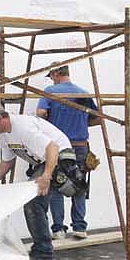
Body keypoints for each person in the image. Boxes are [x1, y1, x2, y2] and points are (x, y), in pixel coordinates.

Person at [0, 102, 73, 260]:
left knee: (34, 202)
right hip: (43, 161)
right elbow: (8, 160)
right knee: (33, 202)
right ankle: (42, 252)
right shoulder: (4, 135)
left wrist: (47, 176)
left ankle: (43, 255)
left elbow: (53, 147)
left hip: (60, 156)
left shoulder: (23, 126)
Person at [37, 63, 99, 240]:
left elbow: (41, 113)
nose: (52, 80)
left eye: (51, 76)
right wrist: (79, 122)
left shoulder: (50, 91)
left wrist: (52, 121)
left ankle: (58, 229)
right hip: (80, 145)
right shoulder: (83, 93)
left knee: (57, 185)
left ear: (56, 74)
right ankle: (79, 228)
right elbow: (98, 119)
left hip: (60, 147)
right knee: (79, 184)